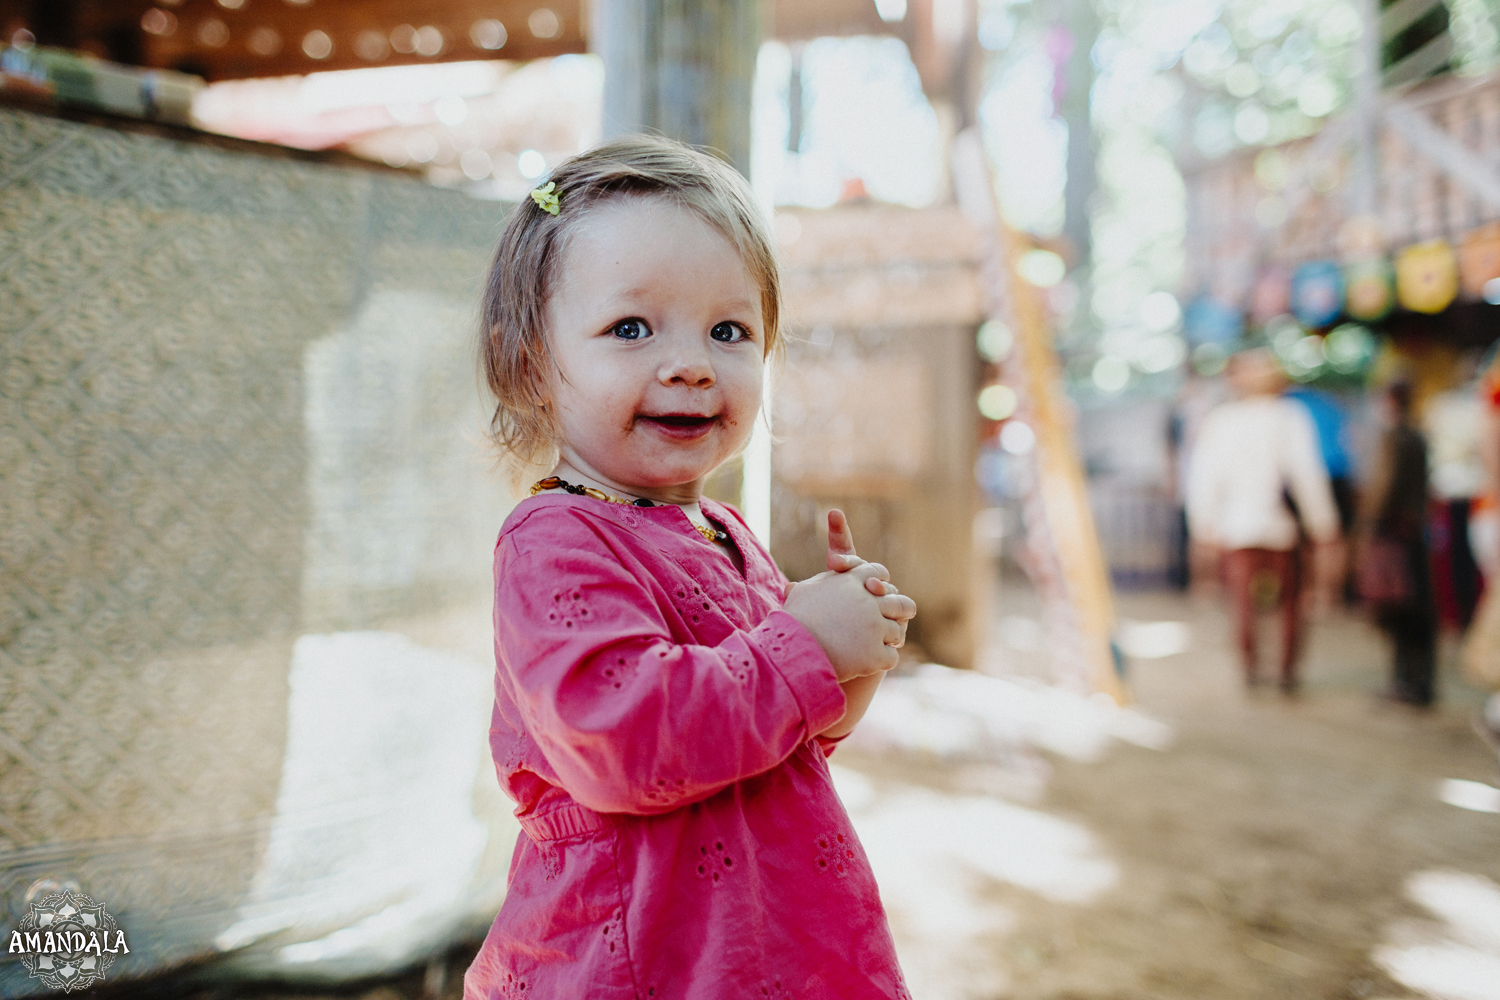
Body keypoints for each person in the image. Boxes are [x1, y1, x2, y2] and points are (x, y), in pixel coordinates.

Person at [463, 136, 916, 999]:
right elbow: (627, 745)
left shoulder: (723, 531)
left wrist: (854, 657)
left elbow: (775, 735)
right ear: (529, 363)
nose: (691, 362)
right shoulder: (555, 539)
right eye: (630, 327)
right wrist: (807, 645)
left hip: (766, 943)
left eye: (729, 329)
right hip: (641, 964)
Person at [1187, 348, 1341, 692]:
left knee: (1244, 605)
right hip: (1276, 528)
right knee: (1287, 604)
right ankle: (1284, 671)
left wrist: (1203, 525)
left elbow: (1204, 478)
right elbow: (1307, 475)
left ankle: (1253, 668)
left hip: (1241, 528)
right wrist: (1323, 525)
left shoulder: (1225, 420)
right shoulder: (1285, 417)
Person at [1358, 381, 1437, 707]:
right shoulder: (1417, 436)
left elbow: (1384, 489)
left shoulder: (1395, 438)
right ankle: (1417, 682)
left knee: (1399, 612)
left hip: (1394, 535)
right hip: (1413, 532)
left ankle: (1407, 681)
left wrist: (1366, 526)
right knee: (1416, 610)